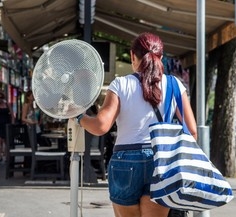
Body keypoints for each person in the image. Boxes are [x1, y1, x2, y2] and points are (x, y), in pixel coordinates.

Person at [76, 32, 197, 217]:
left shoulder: (120, 84)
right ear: (161, 58)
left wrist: (79, 117)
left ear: (133, 56)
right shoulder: (175, 85)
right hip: (160, 162)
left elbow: (100, 126)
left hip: (125, 162)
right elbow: (192, 132)